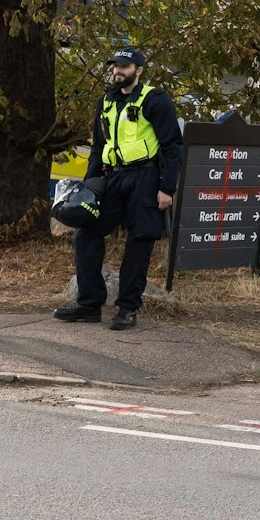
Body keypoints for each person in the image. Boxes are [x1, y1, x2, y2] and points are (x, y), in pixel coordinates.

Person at [55, 47, 183, 332]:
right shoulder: (106, 101)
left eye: (124, 66)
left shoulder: (155, 99)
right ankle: (89, 304)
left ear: (139, 70)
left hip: (146, 177)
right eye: (115, 66)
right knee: (86, 234)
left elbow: (173, 146)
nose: (118, 71)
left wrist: (167, 188)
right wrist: (89, 187)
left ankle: (127, 308)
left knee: (139, 243)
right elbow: (98, 146)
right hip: (113, 176)